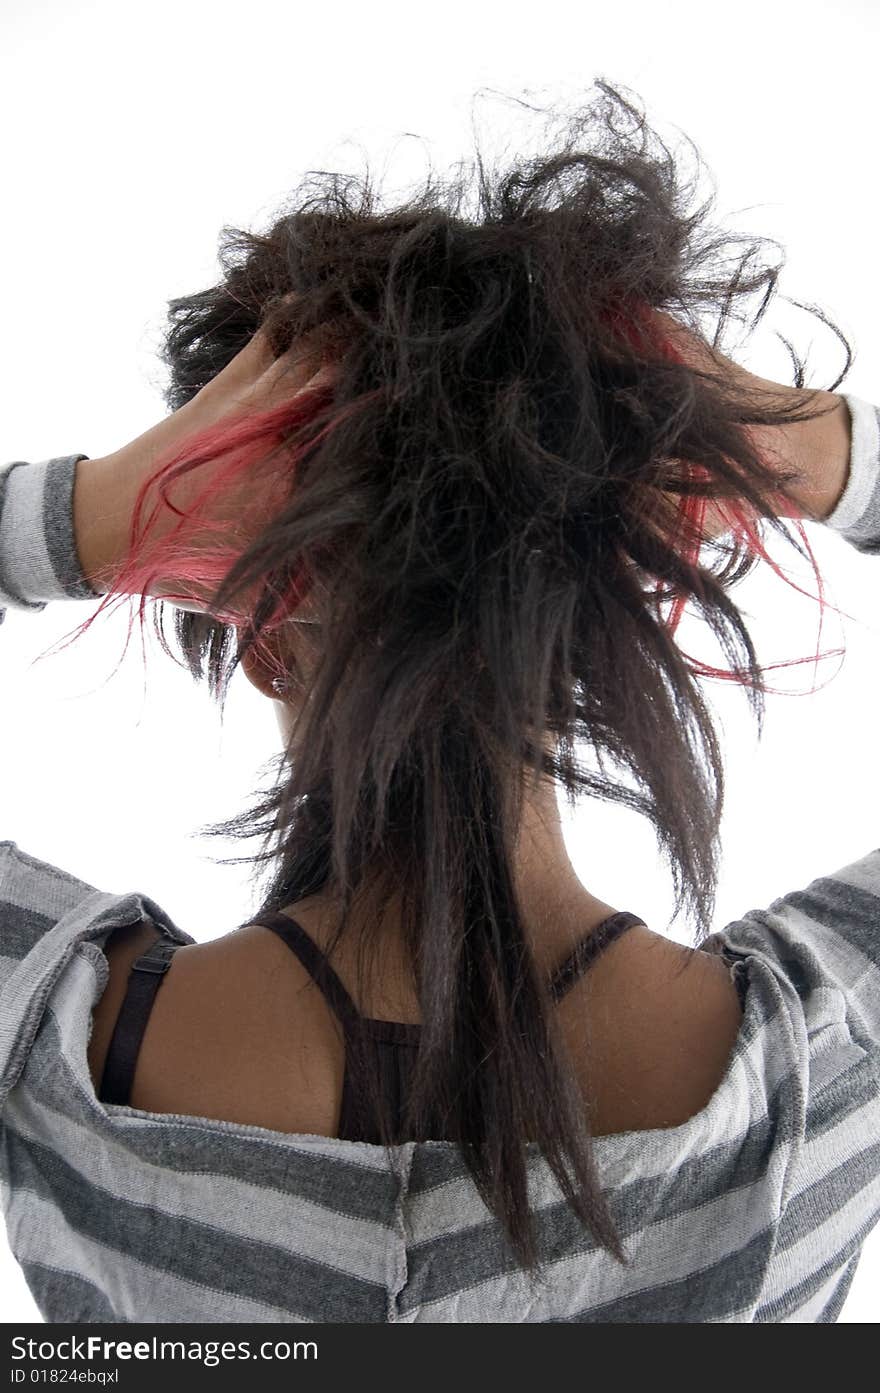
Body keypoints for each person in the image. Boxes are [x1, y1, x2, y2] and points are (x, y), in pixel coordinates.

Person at [1, 82, 878, 1323]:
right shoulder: (823, 1073)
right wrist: (804, 448)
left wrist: (85, 520)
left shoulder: (59, 1061)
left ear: (254, 636)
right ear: (639, 599)